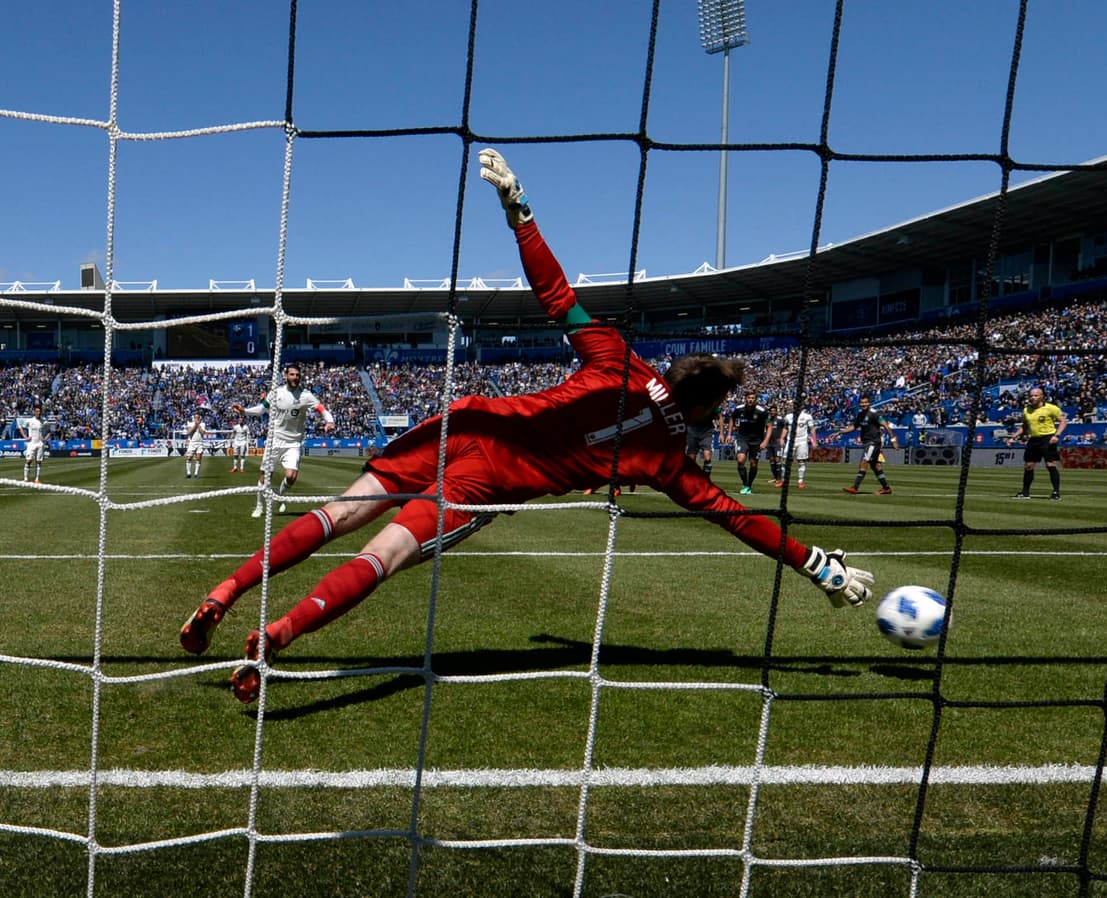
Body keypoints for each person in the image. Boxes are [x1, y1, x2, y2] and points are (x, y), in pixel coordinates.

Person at [179, 149, 874, 704]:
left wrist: (520, 211)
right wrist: (816, 565)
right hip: (489, 479)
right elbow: (735, 518)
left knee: (339, 513)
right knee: (383, 555)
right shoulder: (666, 459)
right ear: (699, 408)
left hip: (466, 424)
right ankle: (279, 635)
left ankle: (225, 591)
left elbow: (556, 295)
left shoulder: (618, 357)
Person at [232, 363, 336, 517]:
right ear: (286, 376)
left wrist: (330, 421)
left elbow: (322, 409)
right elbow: (262, 409)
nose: (295, 378)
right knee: (265, 476)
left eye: (298, 375)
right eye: (292, 374)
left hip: (293, 442)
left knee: (291, 476)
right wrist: (244, 411)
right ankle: (259, 506)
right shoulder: (276, 393)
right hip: (274, 439)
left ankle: (280, 496)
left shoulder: (305, 395)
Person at [1007, 386, 1066, 500]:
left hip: (1048, 438)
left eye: (1035, 395)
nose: (1032, 398)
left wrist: (1056, 435)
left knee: (1050, 465)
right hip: (1034, 439)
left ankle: (1055, 492)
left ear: (1042, 396)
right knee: (1028, 466)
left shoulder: (1051, 408)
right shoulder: (1026, 410)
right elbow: (1024, 427)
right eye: (1031, 395)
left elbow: (1063, 422)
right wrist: (1013, 437)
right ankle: (1025, 492)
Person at [832, 396, 899, 495]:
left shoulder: (874, 414)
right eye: (862, 403)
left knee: (864, 462)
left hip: (873, 442)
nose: (863, 404)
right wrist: (840, 432)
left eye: (865, 402)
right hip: (868, 442)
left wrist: (893, 440)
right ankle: (886, 488)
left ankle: (855, 487)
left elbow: (886, 426)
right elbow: (854, 427)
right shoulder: (860, 414)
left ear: (869, 403)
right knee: (875, 465)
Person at [725, 389, 771, 495]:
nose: (750, 400)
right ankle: (745, 484)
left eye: (753, 398)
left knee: (753, 464)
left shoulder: (762, 411)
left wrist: (765, 441)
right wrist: (729, 434)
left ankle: (749, 485)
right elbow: (732, 419)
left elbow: (769, 426)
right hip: (742, 438)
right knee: (741, 460)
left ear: (756, 400)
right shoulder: (739, 409)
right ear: (746, 399)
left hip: (757, 440)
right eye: (749, 398)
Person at [778, 403, 817, 489]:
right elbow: (785, 428)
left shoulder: (807, 416)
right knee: (784, 461)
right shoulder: (788, 416)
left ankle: (800, 481)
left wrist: (814, 441)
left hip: (802, 441)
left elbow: (812, 429)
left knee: (801, 461)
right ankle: (783, 481)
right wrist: (781, 438)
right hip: (790, 440)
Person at [21, 403, 46, 483]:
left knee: (38, 462)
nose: (38, 413)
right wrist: (25, 437)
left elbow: (49, 431)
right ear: (34, 412)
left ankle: (37, 479)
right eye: (37, 411)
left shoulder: (43, 421)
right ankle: (25, 478)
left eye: (39, 411)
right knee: (29, 460)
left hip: (39, 444)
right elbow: (21, 427)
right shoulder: (30, 421)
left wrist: (44, 438)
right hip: (31, 443)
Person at [764, 405, 787, 486]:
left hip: (777, 443)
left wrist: (782, 438)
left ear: (776, 411)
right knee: (771, 460)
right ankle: (775, 477)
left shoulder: (781, 419)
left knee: (777, 460)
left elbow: (786, 427)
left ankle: (779, 478)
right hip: (769, 442)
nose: (772, 412)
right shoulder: (768, 420)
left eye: (774, 411)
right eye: (771, 411)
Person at [184, 408, 209, 479]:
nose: (196, 419)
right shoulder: (190, 423)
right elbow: (189, 432)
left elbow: (203, 432)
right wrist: (196, 425)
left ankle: (196, 474)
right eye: (195, 417)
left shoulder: (203, 424)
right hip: (192, 443)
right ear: (194, 418)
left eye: (198, 418)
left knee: (198, 458)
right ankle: (188, 473)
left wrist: (198, 425)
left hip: (200, 443)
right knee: (189, 458)